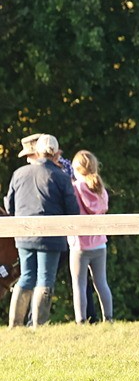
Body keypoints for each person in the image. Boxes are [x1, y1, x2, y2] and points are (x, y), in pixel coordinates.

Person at [5, 135, 80, 327]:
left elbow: (10, 207)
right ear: (55, 152)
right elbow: (73, 210)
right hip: (51, 237)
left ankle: (15, 324)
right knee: (45, 278)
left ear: (37, 151)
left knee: (26, 276)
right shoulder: (61, 177)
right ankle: (39, 326)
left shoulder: (19, 173)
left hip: (23, 235)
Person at [67, 150, 115, 323]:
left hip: (79, 244)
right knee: (101, 283)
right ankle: (108, 318)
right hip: (100, 243)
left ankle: (80, 320)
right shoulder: (100, 187)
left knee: (79, 284)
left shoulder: (75, 187)